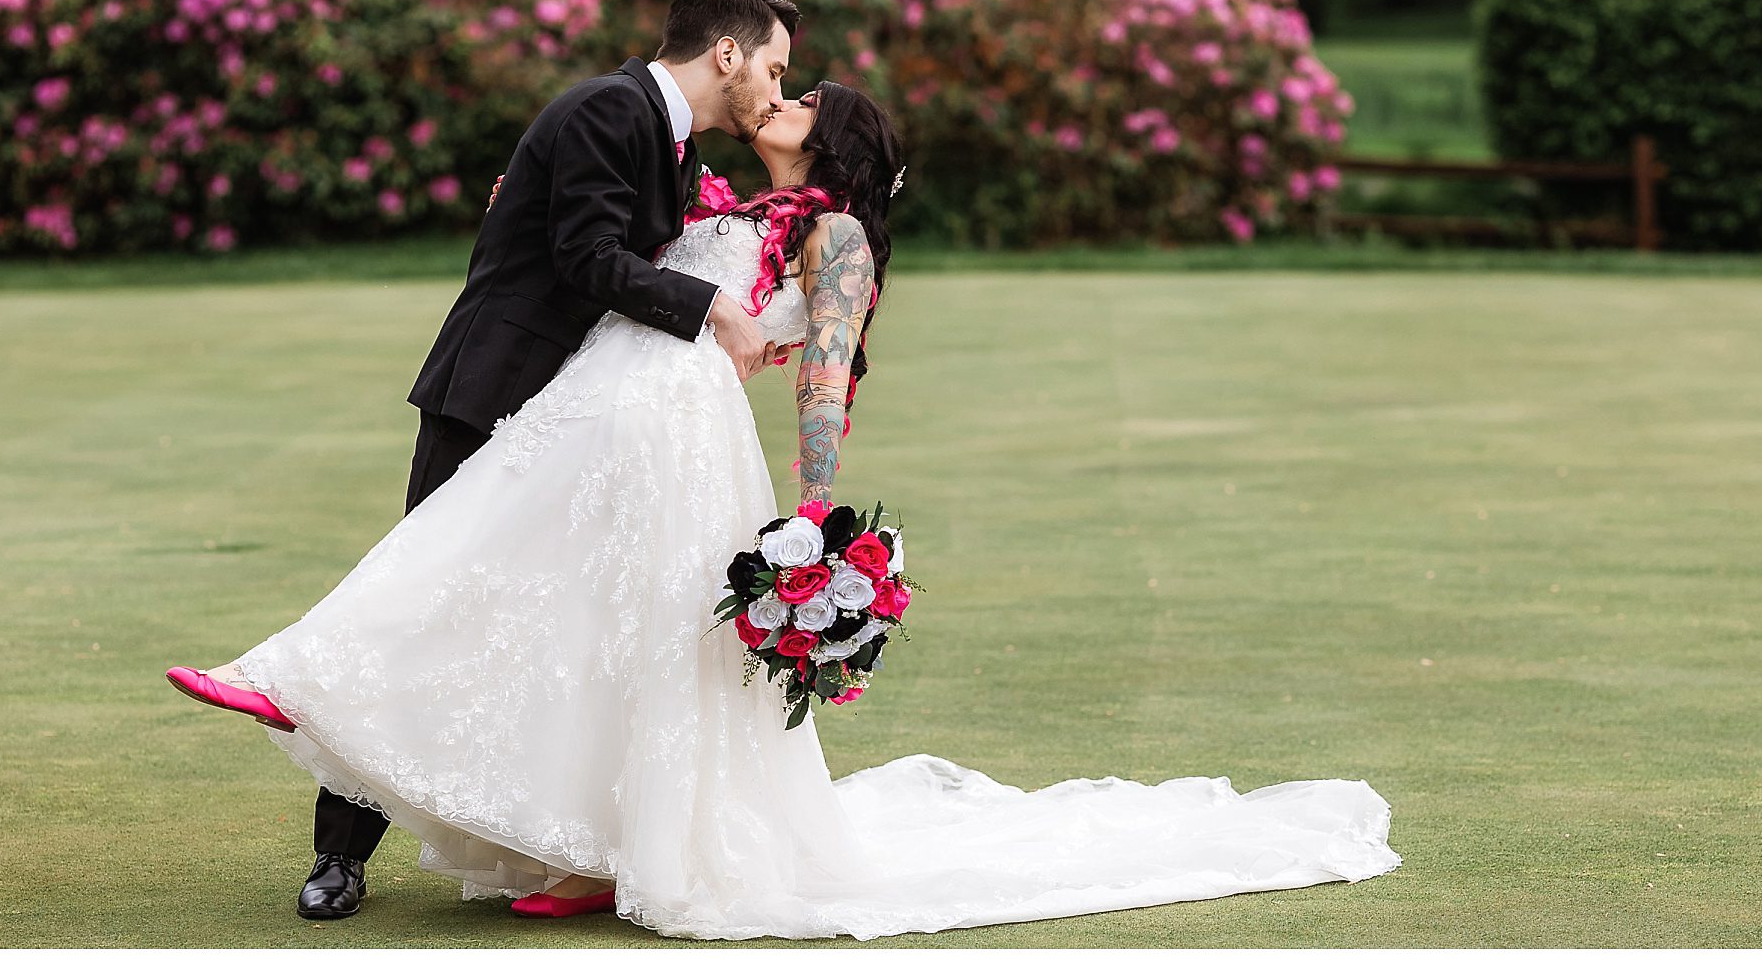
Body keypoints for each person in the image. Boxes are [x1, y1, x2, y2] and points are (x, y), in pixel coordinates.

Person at [169, 79, 1401, 941]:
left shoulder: (837, 233)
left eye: (804, 99)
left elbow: (824, 367)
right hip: (597, 408)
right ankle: (429, 766)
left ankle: (551, 827)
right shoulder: (707, 191)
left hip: (675, 434)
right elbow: (610, 246)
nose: (779, 98)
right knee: (547, 598)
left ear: (836, 140)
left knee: (595, 608)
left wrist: (815, 522)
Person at [168, 0, 797, 920]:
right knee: (418, 594)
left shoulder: (667, 142)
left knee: (516, 628)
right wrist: (711, 305)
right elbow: (585, 257)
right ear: (726, 53)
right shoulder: (609, 109)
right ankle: (337, 844)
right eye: (774, 68)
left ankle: (543, 838)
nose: (777, 90)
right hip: (491, 391)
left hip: (570, 422)